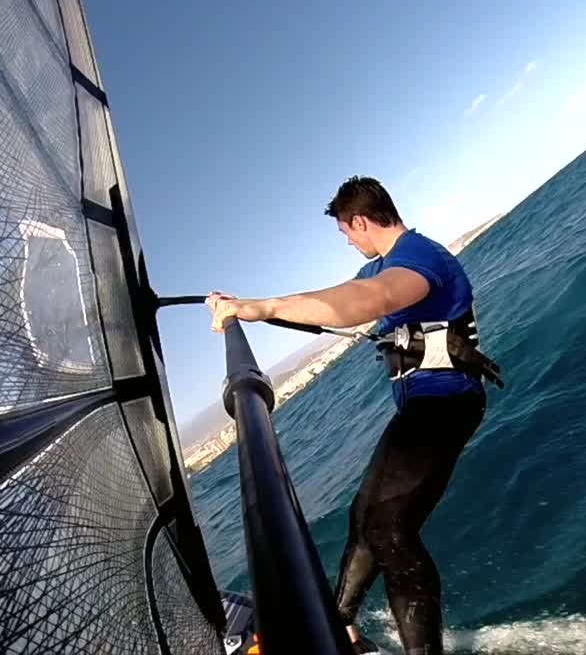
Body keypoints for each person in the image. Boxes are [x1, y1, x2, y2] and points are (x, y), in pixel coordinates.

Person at [206, 176, 499, 655]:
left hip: (445, 406)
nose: (348, 242)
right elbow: (334, 297)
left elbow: (373, 301)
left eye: (346, 233)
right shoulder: (383, 265)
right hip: (426, 410)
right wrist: (246, 307)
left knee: (389, 529)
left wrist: (259, 307)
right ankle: (338, 629)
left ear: (359, 221)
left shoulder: (419, 256)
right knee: (363, 519)